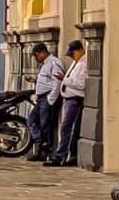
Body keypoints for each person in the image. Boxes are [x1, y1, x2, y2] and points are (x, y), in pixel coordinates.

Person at [47, 39, 88, 167]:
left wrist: (64, 79)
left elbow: (81, 84)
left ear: (80, 50)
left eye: (73, 53)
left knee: (67, 128)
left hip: (75, 100)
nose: (71, 57)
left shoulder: (84, 64)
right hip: (69, 99)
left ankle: (60, 156)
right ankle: (68, 155)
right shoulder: (76, 63)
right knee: (67, 128)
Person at [25, 42, 63, 163]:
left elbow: (57, 82)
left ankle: (45, 150)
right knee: (31, 120)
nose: (36, 58)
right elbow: (47, 79)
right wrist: (35, 80)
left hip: (47, 98)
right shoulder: (44, 65)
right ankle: (39, 142)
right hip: (41, 98)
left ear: (42, 53)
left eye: (36, 55)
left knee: (46, 125)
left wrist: (51, 99)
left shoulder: (54, 63)